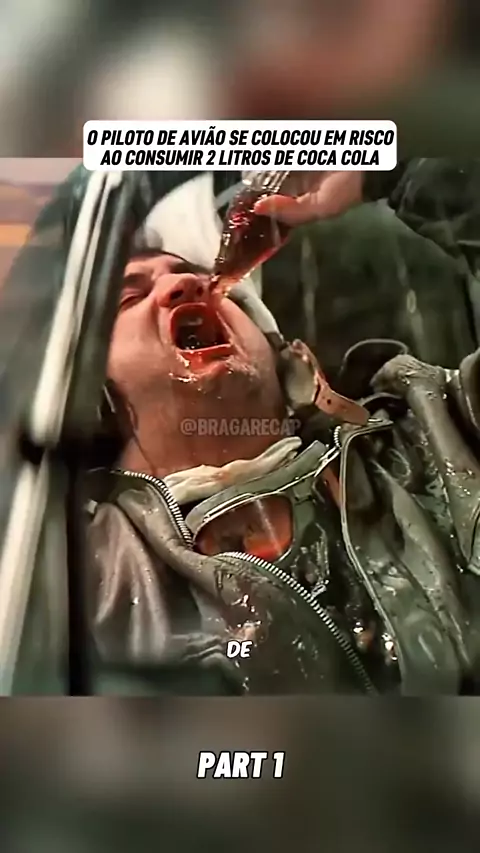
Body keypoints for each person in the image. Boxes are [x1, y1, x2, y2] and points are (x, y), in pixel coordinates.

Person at [84, 232, 480, 695]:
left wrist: (406, 188)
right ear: (91, 395)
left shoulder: (437, 421)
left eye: (204, 278)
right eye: (130, 299)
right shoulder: (89, 573)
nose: (185, 285)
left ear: (284, 357)